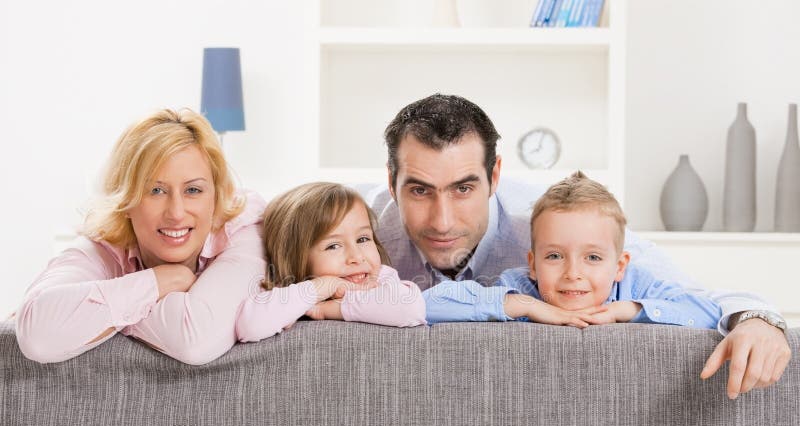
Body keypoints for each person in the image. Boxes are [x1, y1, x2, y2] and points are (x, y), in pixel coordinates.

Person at [367, 93, 790, 399]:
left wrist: (756, 320)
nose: (442, 221)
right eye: (420, 191)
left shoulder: (556, 225)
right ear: (391, 183)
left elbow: (699, 296)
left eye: (463, 188)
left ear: (495, 176)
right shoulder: (358, 230)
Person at [15, 108, 266, 365]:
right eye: (155, 190)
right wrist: (158, 282)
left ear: (215, 195)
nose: (176, 213)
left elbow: (195, 341)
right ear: (126, 201)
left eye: (193, 190)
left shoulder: (245, 231)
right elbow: (37, 336)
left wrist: (98, 318)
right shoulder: (105, 241)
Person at [424, 172, 722, 330]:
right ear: (533, 263)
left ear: (619, 266)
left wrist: (628, 310)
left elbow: (709, 313)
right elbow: (428, 305)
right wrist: (528, 306)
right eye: (554, 256)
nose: (573, 274)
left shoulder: (635, 286)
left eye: (592, 257)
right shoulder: (520, 287)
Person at [235, 182, 425, 342]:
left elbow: (411, 308)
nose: (357, 257)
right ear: (294, 256)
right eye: (333, 246)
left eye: (363, 239)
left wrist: (330, 309)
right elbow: (249, 326)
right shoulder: (288, 292)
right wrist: (321, 287)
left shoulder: (380, 280)